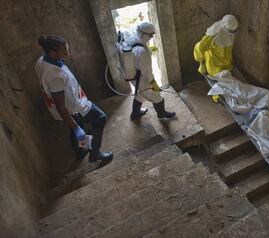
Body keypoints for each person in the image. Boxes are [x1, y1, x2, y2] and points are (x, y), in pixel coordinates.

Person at [35, 35, 113, 163]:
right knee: (100, 119)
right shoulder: (55, 76)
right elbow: (61, 106)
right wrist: (75, 126)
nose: (67, 52)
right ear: (53, 53)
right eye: (63, 50)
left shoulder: (41, 61)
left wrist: (75, 126)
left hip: (69, 104)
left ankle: (81, 149)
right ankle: (95, 153)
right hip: (73, 107)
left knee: (77, 127)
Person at [129, 22, 176, 120]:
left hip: (134, 78)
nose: (151, 37)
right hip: (142, 79)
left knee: (140, 94)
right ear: (144, 34)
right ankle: (161, 113)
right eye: (150, 35)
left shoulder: (133, 41)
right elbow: (147, 73)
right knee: (156, 95)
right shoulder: (141, 52)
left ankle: (135, 114)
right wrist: (154, 84)